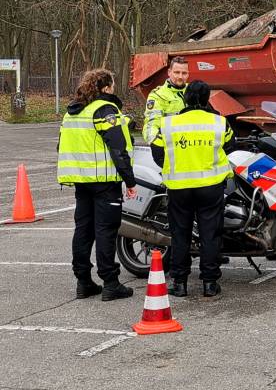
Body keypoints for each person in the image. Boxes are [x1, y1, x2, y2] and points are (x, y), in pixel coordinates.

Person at [57, 69, 137, 301]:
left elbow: (62, 145)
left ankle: (83, 282)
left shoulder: (73, 112)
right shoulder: (105, 109)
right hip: (104, 181)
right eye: (112, 84)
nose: (114, 88)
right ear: (105, 87)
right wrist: (129, 180)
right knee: (106, 231)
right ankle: (110, 282)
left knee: (83, 230)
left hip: (81, 182)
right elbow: (118, 148)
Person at [154, 80, 232, 298]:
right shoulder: (219, 122)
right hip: (210, 186)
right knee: (210, 234)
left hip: (179, 188)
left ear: (185, 97)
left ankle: (179, 283)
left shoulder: (169, 124)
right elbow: (231, 146)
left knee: (180, 235)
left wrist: (172, 167)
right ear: (208, 99)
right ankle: (209, 283)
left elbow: (157, 152)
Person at [143, 56, 189, 164]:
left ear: (188, 73)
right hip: (170, 152)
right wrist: (157, 147)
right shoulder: (158, 95)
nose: (180, 77)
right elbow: (151, 125)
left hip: (193, 150)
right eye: (176, 72)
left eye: (184, 73)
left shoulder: (193, 91)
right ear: (169, 72)